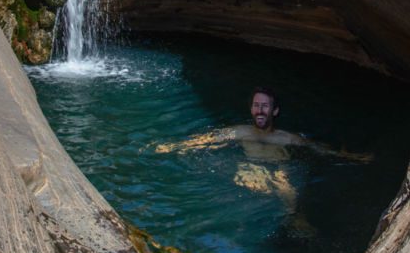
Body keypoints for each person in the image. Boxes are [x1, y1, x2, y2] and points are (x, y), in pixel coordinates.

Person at [154, 86, 372, 234]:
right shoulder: (241, 132)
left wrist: (349, 157)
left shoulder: (287, 138)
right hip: (251, 167)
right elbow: (207, 139)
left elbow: (318, 149)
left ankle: (296, 219)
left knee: (286, 188)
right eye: (256, 105)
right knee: (248, 178)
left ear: (274, 111)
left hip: (279, 168)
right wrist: (174, 146)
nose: (260, 110)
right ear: (251, 109)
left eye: (265, 106)